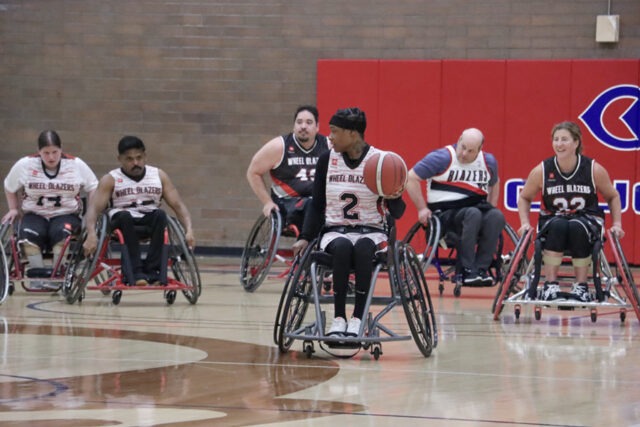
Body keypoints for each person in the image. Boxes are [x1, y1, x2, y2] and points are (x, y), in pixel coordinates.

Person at [292, 107, 405, 337]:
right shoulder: (327, 160)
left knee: (363, 248)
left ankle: (358, 318)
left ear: (353, 134)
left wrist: (395, 195)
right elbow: (317, 203)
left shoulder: (380, 161)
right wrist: (305, 236)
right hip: (335, 230)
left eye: (334, 131)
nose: (329, 137)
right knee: (343, 247)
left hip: (372, 231)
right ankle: (339, 317)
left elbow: (398, 211)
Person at [518, 121, 624, 302]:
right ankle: (550, 284)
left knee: (576, 226)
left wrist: (617, 224)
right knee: (558, 225)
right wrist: (524, 223)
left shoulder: (593, 169)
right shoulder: (542, 170)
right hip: (554, 218)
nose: (559, 144)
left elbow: (613, 196)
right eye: (556, 139)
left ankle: (581, 286)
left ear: (576, 143)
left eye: (564, 139)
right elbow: (524, 197)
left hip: (587, 219)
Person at [82, 136, 194, 286]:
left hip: (148, 220)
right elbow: (94, 209)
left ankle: (152, 271)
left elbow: (178, 205)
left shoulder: (158, 175)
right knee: (125, 216)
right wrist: (91, 233)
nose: (135, 163)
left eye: (139, 158)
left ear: (145, 156)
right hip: (121, 221)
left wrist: (189, 230)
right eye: (129, 159)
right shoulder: (111, 179)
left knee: (161, 215)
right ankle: (135, 272)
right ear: (120, 159)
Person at [405, 128, 505, 286]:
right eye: (463, 147)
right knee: (473, 214)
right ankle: (466, 270)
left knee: (496, 216)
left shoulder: (488, 162)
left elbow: (495, 182)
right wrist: (422, 208)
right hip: (445, 215)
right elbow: (411, 178)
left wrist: (491, 207)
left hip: (475, 210)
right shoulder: (442, 158)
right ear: (458, 140)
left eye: (470, 150)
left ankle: (480, 269)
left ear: (479, 150)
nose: (464, 153)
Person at [2, 130, 98, 286]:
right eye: (46, 153)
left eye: (55, 152)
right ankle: (38, 278)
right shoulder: (25, 164)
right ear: (39, 151)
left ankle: (56, 277)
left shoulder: (76, 164)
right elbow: (9, 186)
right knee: (28, 236)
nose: (51, 157)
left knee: (62, 236)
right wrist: (13, 208)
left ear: (61, 149)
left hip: (66, 214)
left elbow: (94, 186)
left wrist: (90, 212)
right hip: (35, 214)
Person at [246, 105, 330, 232]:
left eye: (309, 122)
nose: (303, 126)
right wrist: (267, 202)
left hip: (318, 202)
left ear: (317, 127)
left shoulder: (328, 146)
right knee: (310, 205)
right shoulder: (279, 146)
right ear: (294, 126)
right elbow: (253, 172)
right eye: (299, 122)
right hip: (287, 204)